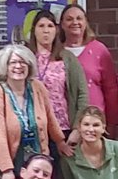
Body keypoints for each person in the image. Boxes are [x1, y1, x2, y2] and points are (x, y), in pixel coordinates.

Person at [0, 44, 70, 179]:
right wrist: (6, 170)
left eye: (23, 62)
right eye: (13, 62)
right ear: (4, 66)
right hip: (6, 159)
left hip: (35, 159)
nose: (18, 66)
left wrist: (60, 142)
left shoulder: (37, 87)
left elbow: (50, 117)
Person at [29, 9, 88, 147]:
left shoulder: (66, 58)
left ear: (56, 30)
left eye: (50, 26)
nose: (46, 31)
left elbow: (82, 93)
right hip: (33, 128)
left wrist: (77, 128)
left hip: (63, 128)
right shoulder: (26, 58)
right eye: (41, 26)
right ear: (34, 30)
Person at [60, 4, 118, 135]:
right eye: (69, 19)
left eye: (79, 18)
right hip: (64, 124)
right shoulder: (56, 53)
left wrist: (111, 123)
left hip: (95, 124)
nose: (75, 22)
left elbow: (111, 89)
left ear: (85, 22)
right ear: (62, 24)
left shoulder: (99, 50)